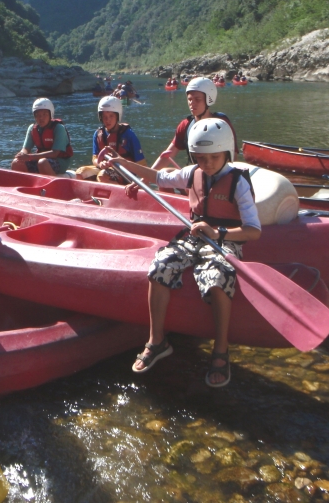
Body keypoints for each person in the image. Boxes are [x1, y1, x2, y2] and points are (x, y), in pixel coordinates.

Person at [114, 119, 261, 387]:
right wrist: (121, 163)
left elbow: (253, 231)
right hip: (194, 236)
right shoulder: (193, 173)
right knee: (160, 266)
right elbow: (157, 177)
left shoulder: (238, 182)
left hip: (226, 239)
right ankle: (157, 341)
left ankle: (221, 349)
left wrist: (218, 233)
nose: (207, 163)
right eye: (201, 158)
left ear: (226, 153)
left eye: (214, 157)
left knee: (218, 277)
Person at [153, 77, 238, 170]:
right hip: (197, 174)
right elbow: (168, 154)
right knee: (167, 171)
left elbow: (233, 156)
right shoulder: (185, 125)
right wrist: (146, 176)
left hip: (221, 173)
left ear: (209, 99)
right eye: (190, 99)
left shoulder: (223, 123)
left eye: (197, 99)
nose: (192, 103)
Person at [11, 98, 73, 176]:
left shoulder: (59, 128)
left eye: (44, 114)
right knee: (16, 163)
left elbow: (55, 153)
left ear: (50, 114)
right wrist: (21, 156)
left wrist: (29, 157)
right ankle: (25, 183)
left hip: (60, 160)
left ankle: (54, 183)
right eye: (38, 115)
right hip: (40, 159)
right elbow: (26, 149)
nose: (41, 118)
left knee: (43, 163)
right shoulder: (32, 128)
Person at [92, 96, 147, 183]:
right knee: (80, 172)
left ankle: (120, 190)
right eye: (104, 116)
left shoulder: (129, 135)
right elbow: (95, 158)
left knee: (102, 176)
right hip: (106, 169)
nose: (107, 120)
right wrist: (100, 163)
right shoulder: (98, 134)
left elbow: (142, 164)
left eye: (111, 116)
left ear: (117, 116)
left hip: (126, 174)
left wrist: (145, 181)